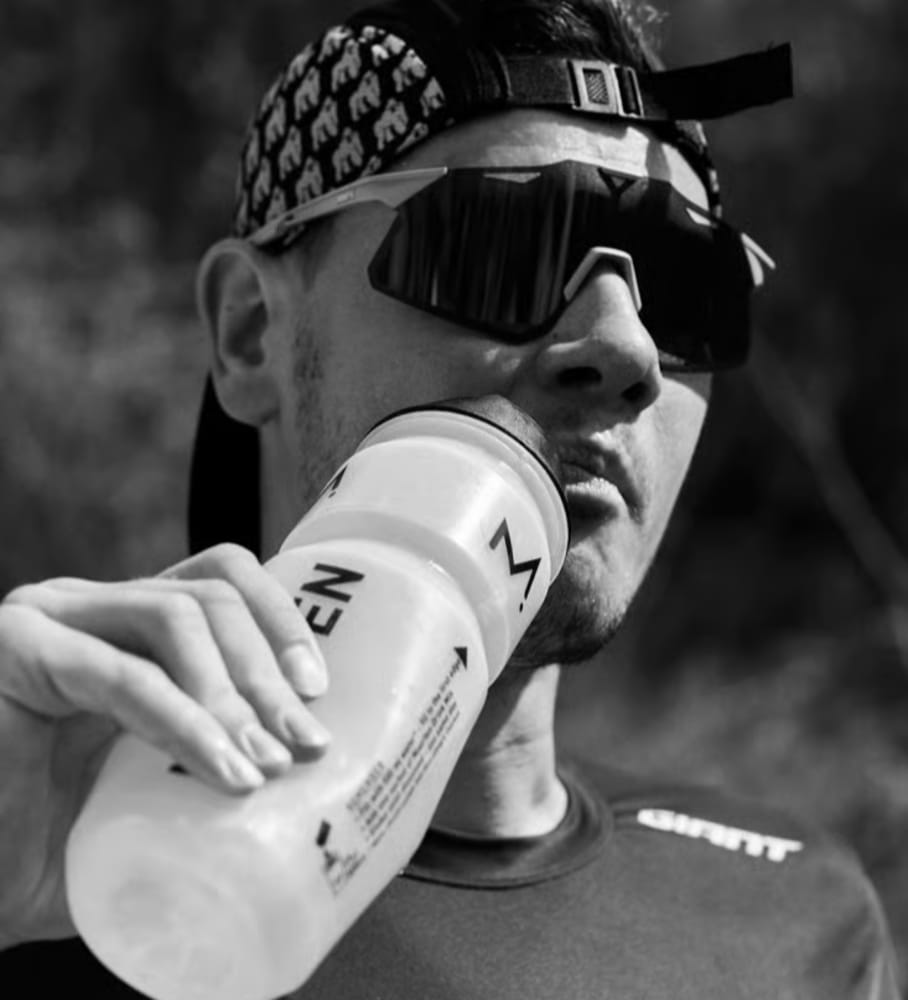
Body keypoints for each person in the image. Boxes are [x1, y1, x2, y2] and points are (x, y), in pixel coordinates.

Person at [0, 0, 900, 996]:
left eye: (691, 289)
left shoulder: (800, 921)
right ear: (251, 330)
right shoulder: (50, 855)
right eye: (498, 245)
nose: (626, 352)